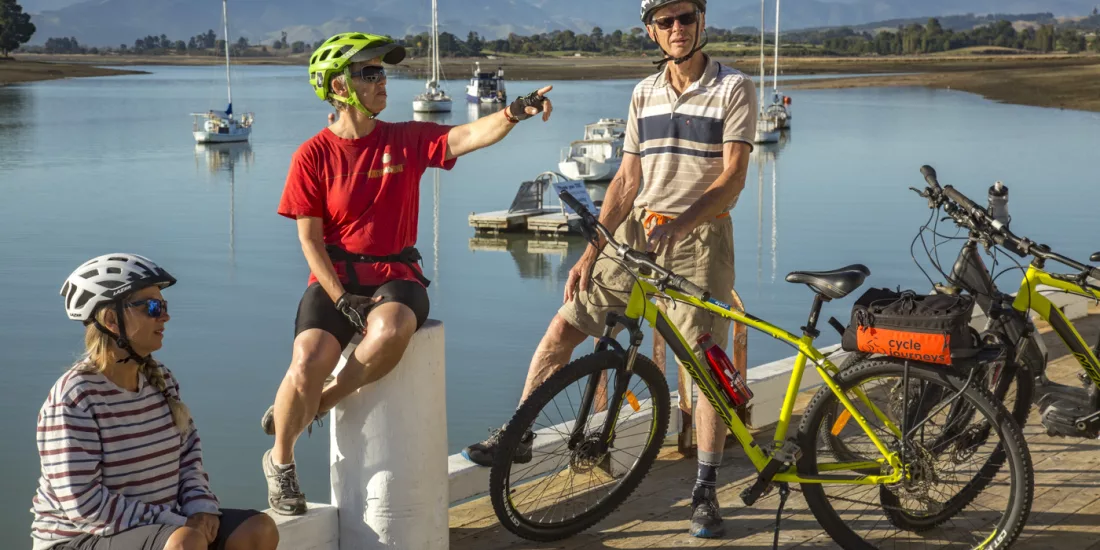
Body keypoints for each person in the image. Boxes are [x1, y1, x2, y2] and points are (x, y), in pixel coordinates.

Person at [461, 0, 756, 539]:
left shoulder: (733, 87)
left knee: (704, 367)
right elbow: (624, 182)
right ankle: (520, 434)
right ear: (650, 31)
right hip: (638, 232)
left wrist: (683, 222)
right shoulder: (644, 92)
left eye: (684, 17)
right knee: (565, 326)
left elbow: (732, 178)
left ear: (701, 22)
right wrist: (592, 250)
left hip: (701, 238)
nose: (676, 29)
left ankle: (706, 488)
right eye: (664, 22)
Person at [262, 32, 554, 515]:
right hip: (336, 278)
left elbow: (466, 136)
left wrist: (513, 113)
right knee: (307, 359)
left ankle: (323, 400)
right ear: (339, 87)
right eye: (370, 73)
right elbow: (309, 241)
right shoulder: (312, 156)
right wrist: (339, 299)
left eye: (383, 72)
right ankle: (281, 463)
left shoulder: (405, 138)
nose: (383, 82)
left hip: (397, 273)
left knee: (393, 328)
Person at [33, 253, 279, 550]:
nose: (165, 316)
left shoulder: (161, 379)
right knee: (184, 542)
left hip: (159, 525)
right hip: (79, 537)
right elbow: (84, 504)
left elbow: (189, 460)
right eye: (152, 307)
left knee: (257, 530)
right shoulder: (75, 398)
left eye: (163, 305)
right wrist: (176, 523)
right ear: (112, 320)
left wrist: (201, 508)